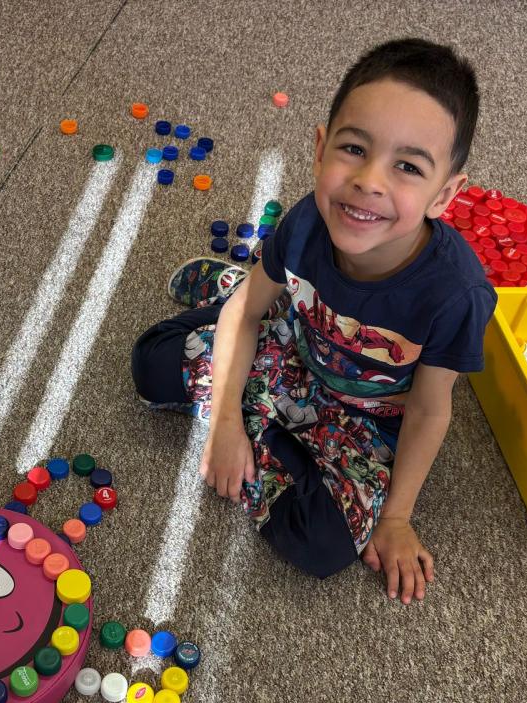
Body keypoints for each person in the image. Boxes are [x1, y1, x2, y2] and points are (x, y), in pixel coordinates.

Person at [130, 37, 496, 602]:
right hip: (294, 348)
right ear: (321, 150)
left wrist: (397, 518)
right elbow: (247, 317)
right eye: (354, 148)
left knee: (320, 544)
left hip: (365, 423)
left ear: (443, 195)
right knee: (151, 364)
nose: (369, 180)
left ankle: (247, 324)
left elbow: (429, 408)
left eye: (406, 166)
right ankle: (236, 289)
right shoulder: (307, 222)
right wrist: (224, 424)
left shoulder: (457, 295)